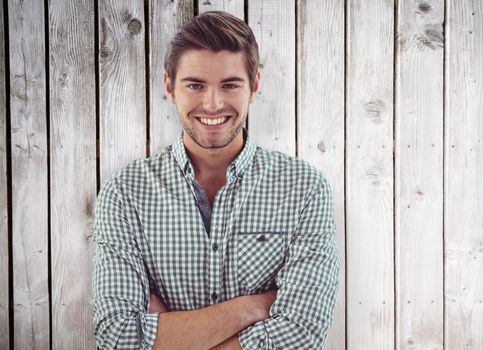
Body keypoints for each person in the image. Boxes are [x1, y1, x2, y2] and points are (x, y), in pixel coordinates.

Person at [92, 11, 339, 349]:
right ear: (170, 86)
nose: (212, 103)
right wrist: (251, 306)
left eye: (230, 84)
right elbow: (118, 336)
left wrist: (167, 334)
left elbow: (299, 334)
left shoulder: (304, 189)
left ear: (253, 86)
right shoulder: (126, 193)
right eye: (195, 85)